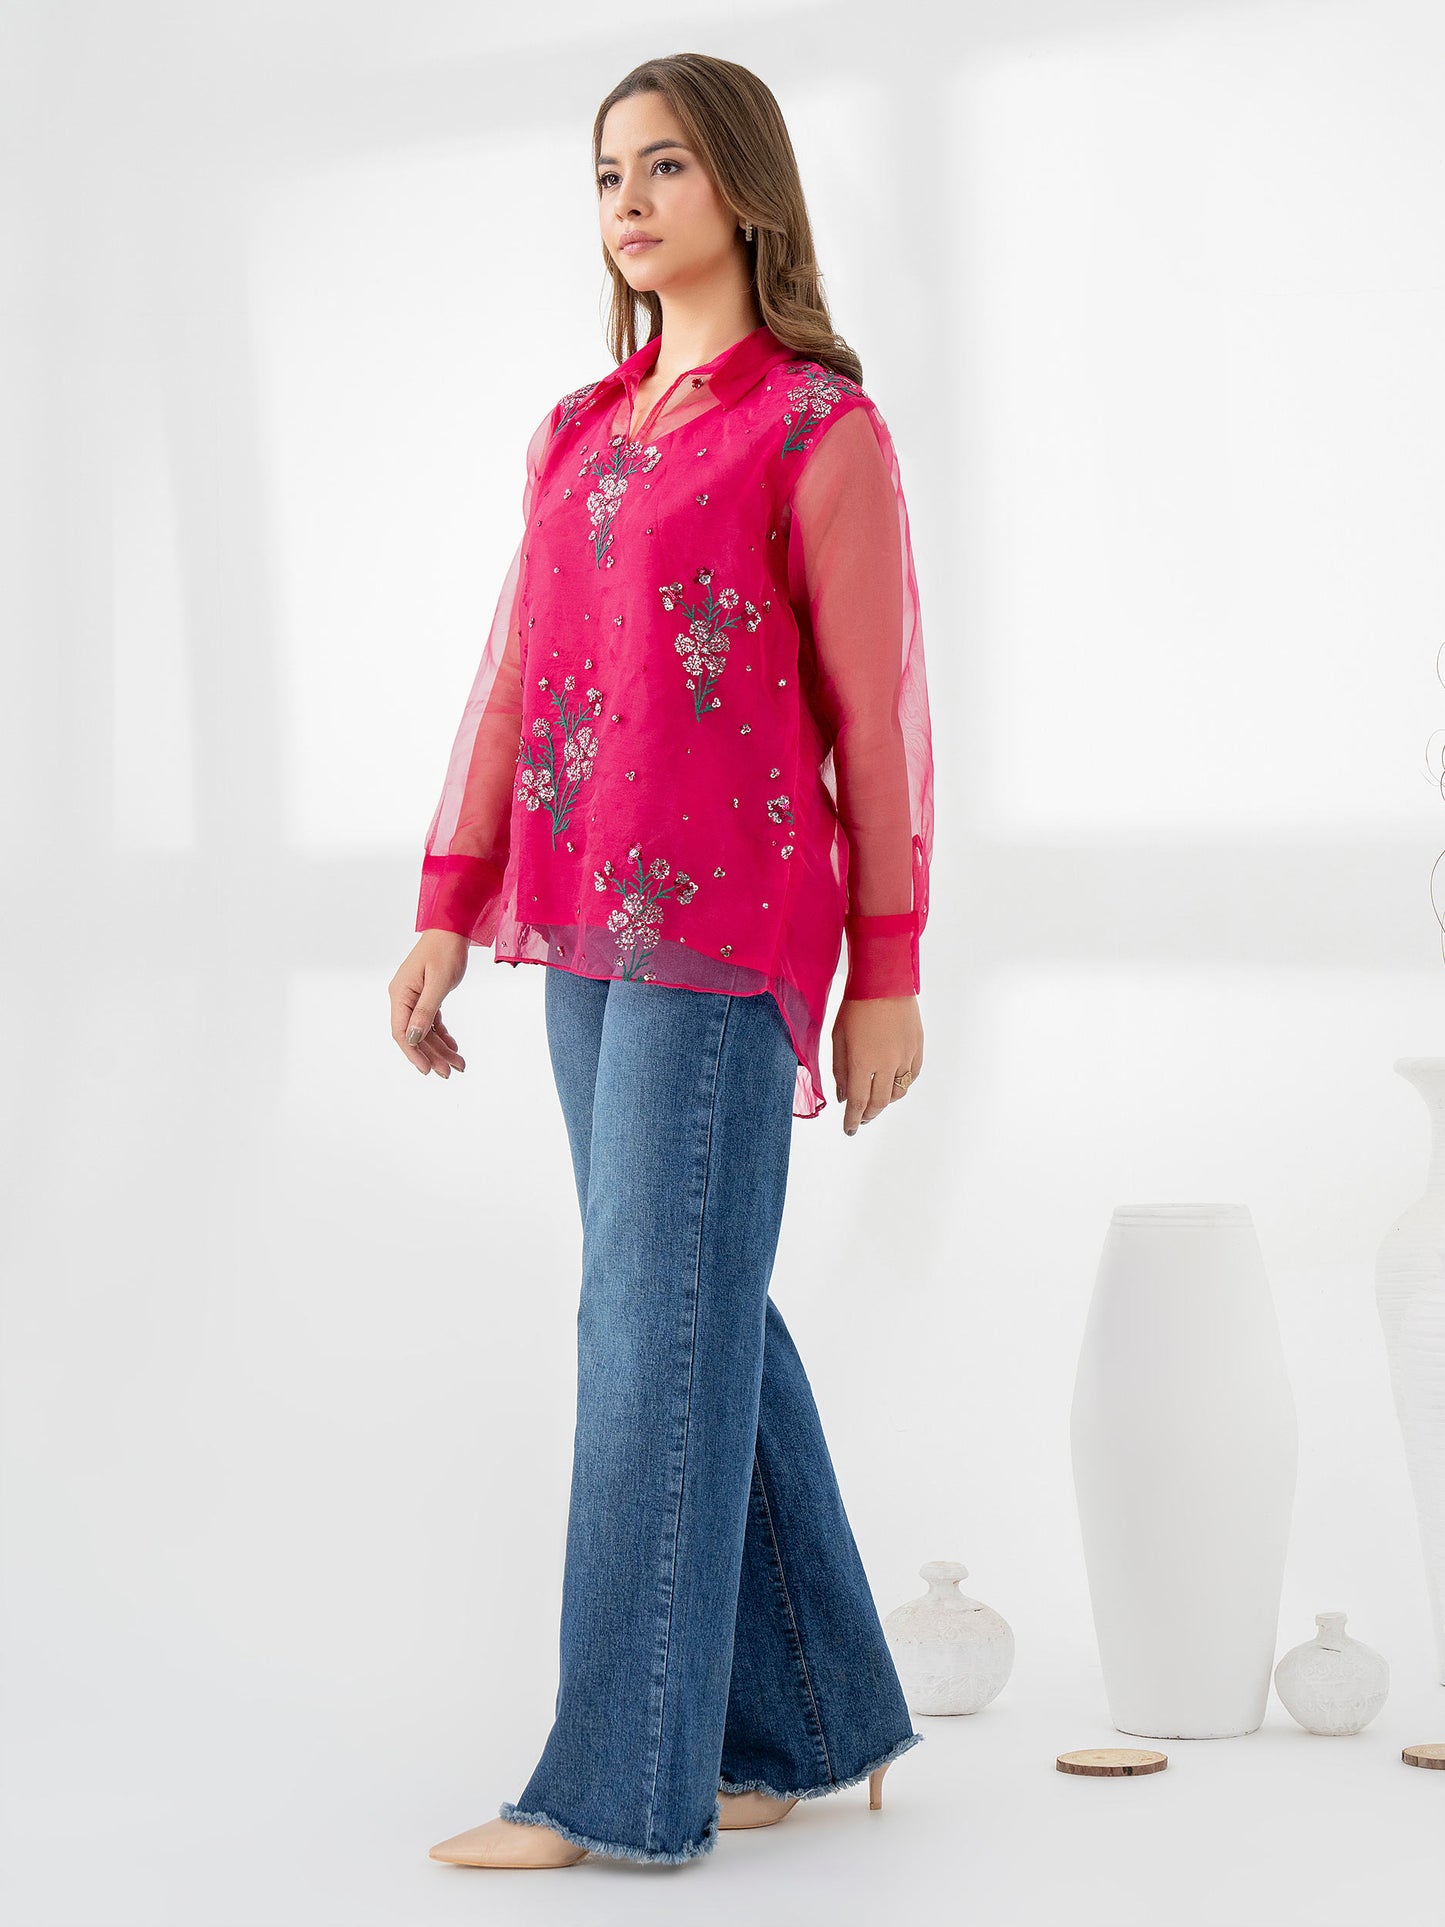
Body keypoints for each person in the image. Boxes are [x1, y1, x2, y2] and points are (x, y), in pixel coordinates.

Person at [388, 51, 935, 1871]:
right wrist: (446, 902)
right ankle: (812, 1717)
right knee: (689, 1301)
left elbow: (875, 720)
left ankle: (617, 1782)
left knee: (647, 1318)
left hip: (730, 924)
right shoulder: (577, 430)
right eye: (607, 173)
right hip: (582, 921)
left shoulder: (815, 431)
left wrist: (887, 968)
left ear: (747, 193)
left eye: (666, 167)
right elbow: (514, 677)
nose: (627, 201)